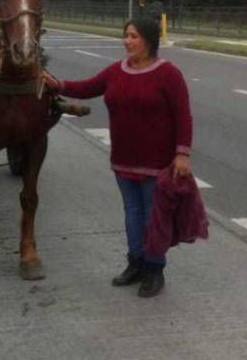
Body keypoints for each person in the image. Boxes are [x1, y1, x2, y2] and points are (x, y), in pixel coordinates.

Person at [42, 16, 192, 298]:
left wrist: (182, 153)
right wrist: (56, 84)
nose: (127, 41)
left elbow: (183, 116)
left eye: (134, 36)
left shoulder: (168, 74)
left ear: (149, 39)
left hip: (157, 163)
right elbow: (87, 87)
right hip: (123, 159)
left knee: (153, 218)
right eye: (125, 35)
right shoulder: (116, 71)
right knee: (132, 214)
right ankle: (134, 263)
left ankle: (154, 269)